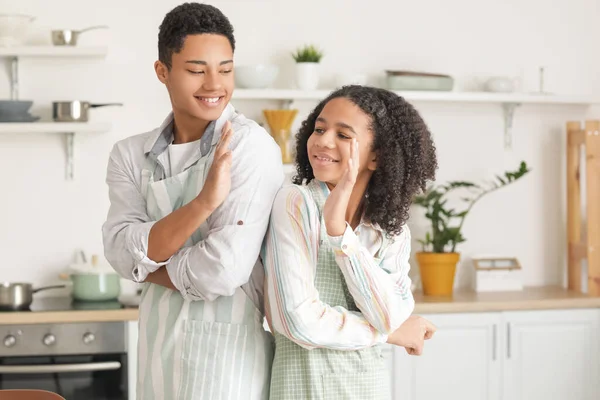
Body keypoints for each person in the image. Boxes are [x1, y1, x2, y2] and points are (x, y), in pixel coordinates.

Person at [101, 3, 283, 399]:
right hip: (155, 349)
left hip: (228, 362)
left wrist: (148, 268)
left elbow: (224, 269)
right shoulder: (130, 155)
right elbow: (118, 250)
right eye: (197, 70)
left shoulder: (251, 147)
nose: (214, 84)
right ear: (162, 71)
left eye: (226, 69)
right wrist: (203, 203)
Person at [262, 85, 438, 399]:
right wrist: (390, 334)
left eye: (343, 135)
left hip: (369, 388)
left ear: (377, 156)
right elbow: (297, 322)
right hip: (304, 389)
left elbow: (388, 314)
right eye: (319, 128)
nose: (322, 141)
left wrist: (339, 233)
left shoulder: (390, 230)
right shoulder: (296, 202)